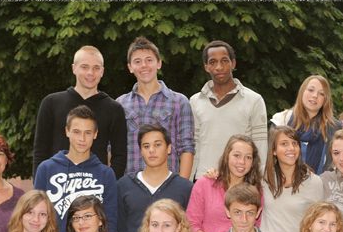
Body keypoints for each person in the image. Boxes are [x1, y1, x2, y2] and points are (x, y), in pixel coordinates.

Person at [32, 45, 127, 178]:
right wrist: (40, 185)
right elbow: (40, 151)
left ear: (102, 71)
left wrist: (109, 184)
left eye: (96, 68)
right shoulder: (51, 103)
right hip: (56, 185)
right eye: (84, 67)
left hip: (95, 186)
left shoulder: (114, 109)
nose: (90, 73)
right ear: (74, 68)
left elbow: (120, 156)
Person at [34, 105, 118, 232]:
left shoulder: (106, 174)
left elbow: (111, 219)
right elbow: (37, 213)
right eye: (77, 132)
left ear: (95, 134)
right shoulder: (46, 169)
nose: (82, 138)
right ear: (67, 131)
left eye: (88, 133)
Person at [117, 37, 195, 178]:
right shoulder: (120, 104)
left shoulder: (179, 102)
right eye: (137, 61)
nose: (144, 65)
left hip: (168, 184)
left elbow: (187, 147)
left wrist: (182, 186)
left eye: (149, 60)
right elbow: (113, 149)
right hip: (130, 184)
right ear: (130, 67)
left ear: (159, 63)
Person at [190, 40, 268, 181]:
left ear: (233, 63)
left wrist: (257, 184)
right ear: (206, 67)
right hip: (205, 180)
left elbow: (260, 148)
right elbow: (193, 147)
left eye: (224, 61)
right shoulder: (195, 101)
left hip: (240, 182)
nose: (219, 67)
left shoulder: (254, 100)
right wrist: (188, 183)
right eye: (213, 62)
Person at [116, 123, 193, 232]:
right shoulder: (123, 185)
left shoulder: (185, 187)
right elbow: (121, 227)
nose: (151, 150)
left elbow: (189, 227)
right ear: (141, 150)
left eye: (157, 145)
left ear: (169, 148)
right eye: (146, 146)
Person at [186, 134, 263, 232]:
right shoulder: (205, 184)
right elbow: (191, 224)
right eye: (237, 155)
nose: (242, 162)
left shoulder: (256, 190)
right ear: (227, 156)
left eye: (248, 157)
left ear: (253, 162)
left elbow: (256, 227)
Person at [260, 125, 324, 232]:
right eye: (284, 144)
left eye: (295, 143)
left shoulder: (313, 182)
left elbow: (318, 221)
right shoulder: (263, 174)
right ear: (273, 150)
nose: (291, 148)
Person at [270, 75, 342, 174]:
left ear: (326, 99)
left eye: (321, 93)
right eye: (311, 90)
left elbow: (335, 164)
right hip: (282, 180)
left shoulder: (334, 127)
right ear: (302, 91)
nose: (315, 95)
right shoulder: (282, 120)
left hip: (320, 182)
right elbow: (270, 156)